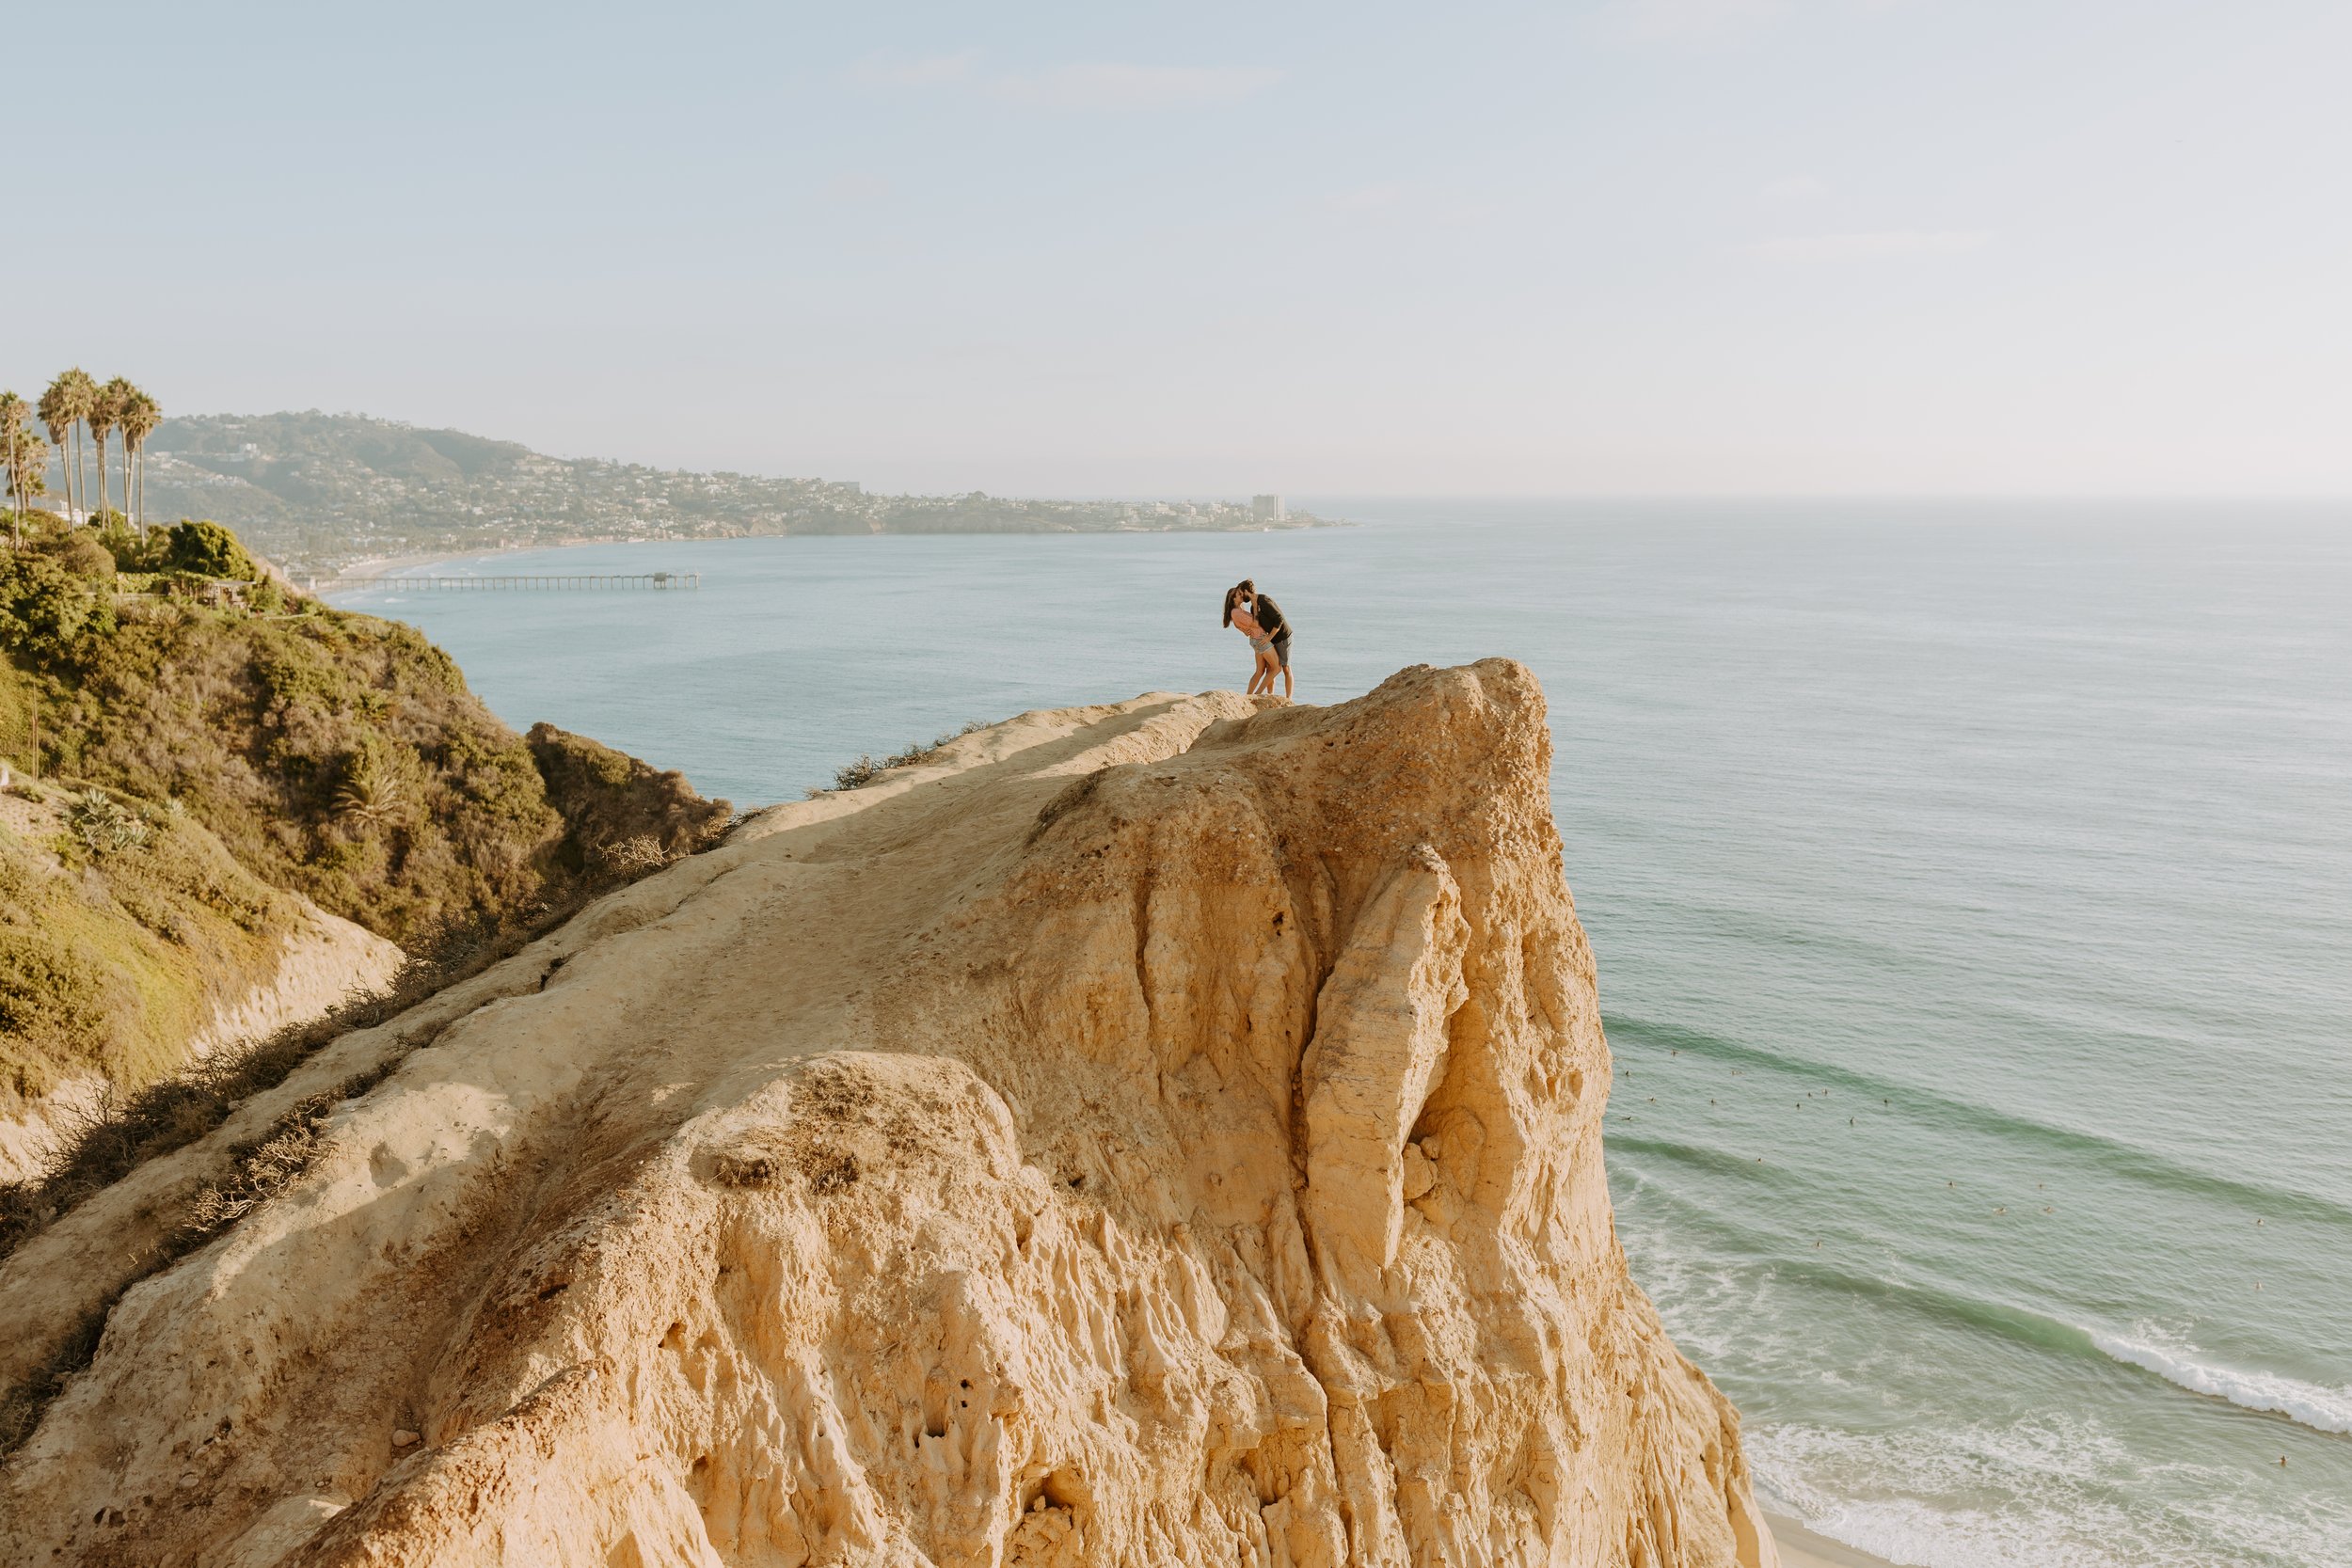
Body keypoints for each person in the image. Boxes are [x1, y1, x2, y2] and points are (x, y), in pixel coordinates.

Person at [1221, 583, 1282, 695]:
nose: (1242, 595)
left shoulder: (1238, 610)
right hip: (1261, 640)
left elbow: (1240, 625)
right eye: (1239, 594)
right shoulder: (1236, 612)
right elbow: (1255, 623)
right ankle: (1257, 694)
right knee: (1277, 668)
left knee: (1260, 671)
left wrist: (1244, 630)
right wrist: (1255, 605)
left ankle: (1251, 696)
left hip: (1256, 639)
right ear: (1233, 598)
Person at [1237, 579, 1295, 698]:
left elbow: (1279, 619)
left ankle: (1289, 699)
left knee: (1286, 668)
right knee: (1270, 667)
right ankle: (1269, 695)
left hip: (1283, 636)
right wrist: (1245, 631)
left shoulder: (1264, 600)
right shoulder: (1253, 608)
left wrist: (1269, 637)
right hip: (1272, 638)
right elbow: (1257, 625)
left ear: (1247, 591)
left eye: (1242, 593)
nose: (1242, 597)